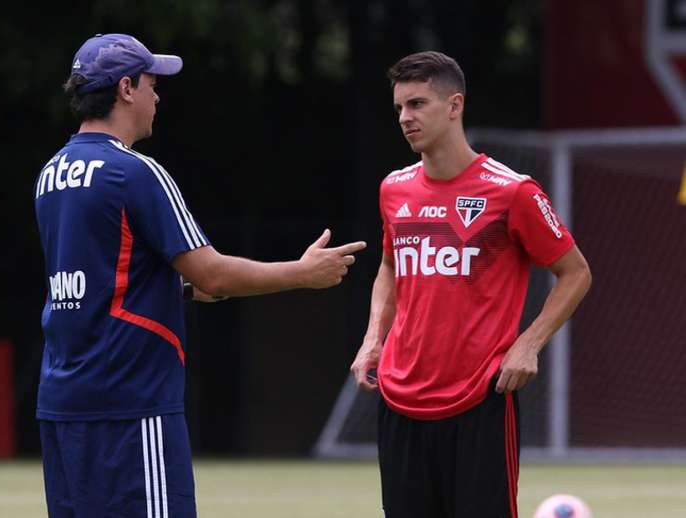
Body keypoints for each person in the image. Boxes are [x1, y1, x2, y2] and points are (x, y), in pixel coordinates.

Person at [34, 33, 366, 518]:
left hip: (63, 401)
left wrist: (178, 290)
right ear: (125, 89)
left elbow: (103, 279)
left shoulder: (51, 172)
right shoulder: (135, 172)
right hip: (131, 403)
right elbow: (213, 274)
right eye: (151, 83)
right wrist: (302, 273)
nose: (157, 96)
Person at [350, 51, 591, 518]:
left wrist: (528, 344)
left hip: (478, 400)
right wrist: (373, 339)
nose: (405, 118)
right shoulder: (394, 188)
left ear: (455, 105)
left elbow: (576, 272)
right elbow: (389, 266)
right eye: (400, 107)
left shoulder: (512, 191)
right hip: (399, 400)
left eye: (418, 104)